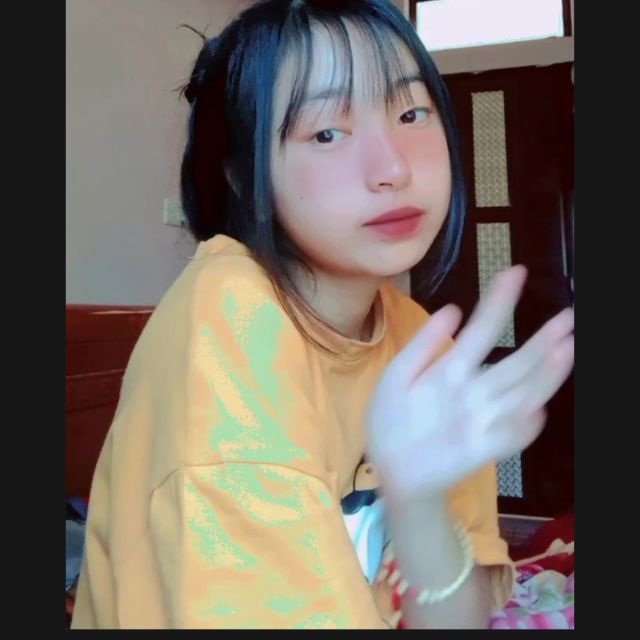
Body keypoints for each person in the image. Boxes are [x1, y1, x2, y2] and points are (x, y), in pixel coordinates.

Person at [72, 0, 574, 629]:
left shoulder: (422, 344)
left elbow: (456, 621)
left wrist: (418, 502)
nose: (393, 168)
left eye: (411, 113)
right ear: (242, 174)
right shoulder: (230, 325)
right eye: (326, 133)